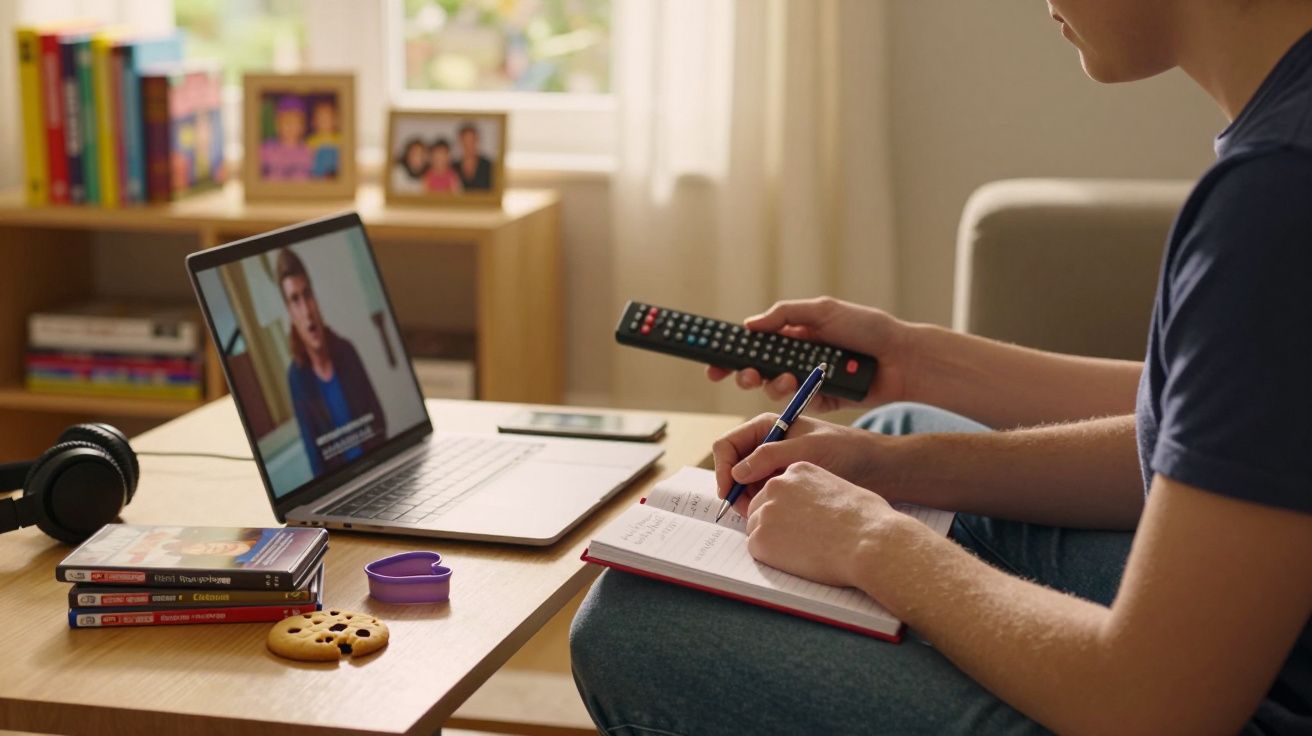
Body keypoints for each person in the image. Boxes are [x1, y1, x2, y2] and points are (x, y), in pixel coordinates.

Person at [569, 2, 1312, 734]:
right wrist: (902, 401)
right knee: (893, 439)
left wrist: (873, 544)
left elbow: (1156, 705)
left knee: (637, 626)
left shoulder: (1276, 199)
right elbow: (1210, 436)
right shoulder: (1284, 135)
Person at [276, 247, 387, 477]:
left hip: (376, 470)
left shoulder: (346, 350)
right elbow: (315, 456)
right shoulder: (297, 379)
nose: (306, 310)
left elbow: (378, 420)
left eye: (307, 295)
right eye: (295, 300)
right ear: (290, 313)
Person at [260, 95, 313, 181]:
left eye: (295, 123)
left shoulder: (309, 151)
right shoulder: (266, 149)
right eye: (286, 122)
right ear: (277, 125)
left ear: (303, 126)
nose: (290, 127)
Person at [306, 98, 342, 179]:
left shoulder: (340, 138)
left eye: (328, 118)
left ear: (335, 120)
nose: (324, 121)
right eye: (321, 118)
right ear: (314, 122)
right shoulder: (312, 140)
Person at [454, 123, 493, 190]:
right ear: (460, 142)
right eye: (466, 141)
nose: (469, 146)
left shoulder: (488, 166)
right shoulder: (454, 167)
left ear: (477, 141)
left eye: (472, 141)